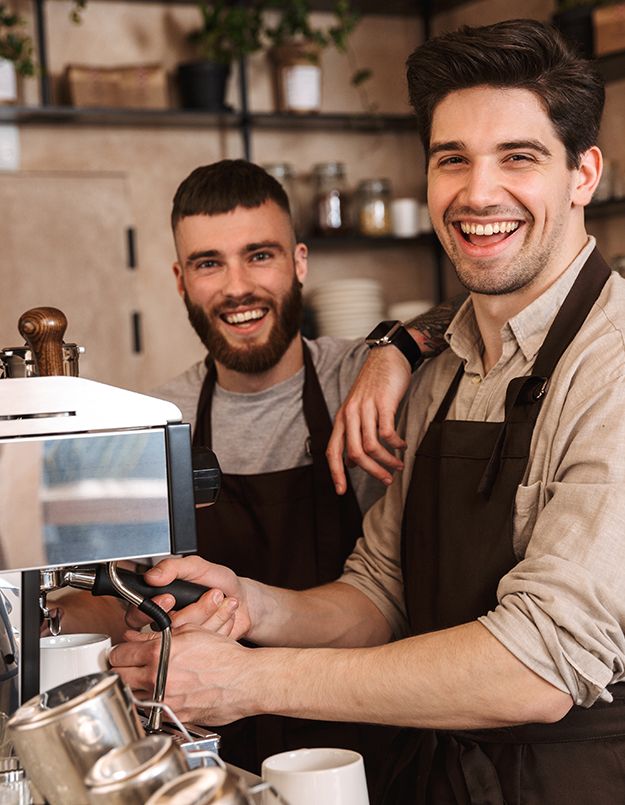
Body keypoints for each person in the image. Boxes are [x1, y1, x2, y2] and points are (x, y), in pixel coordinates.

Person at [110, 20, 625, 804]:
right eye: (453, 161)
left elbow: (538, 665)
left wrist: (251, 679)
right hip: (438, 778)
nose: (478, 194)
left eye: (519, 157)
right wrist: (249, 603)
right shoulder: (440, 363)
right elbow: (383, 590)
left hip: (576, 782)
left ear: (583, 174)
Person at [48, 158, 456, 776]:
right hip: (220, 752)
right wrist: (57, 615)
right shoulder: (157, 422)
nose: (237, 287)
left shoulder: (364, 379)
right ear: (181, 281)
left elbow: (481, 311)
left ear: (299, 262)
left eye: (258, 255)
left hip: (372, 745)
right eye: (210, 263)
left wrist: (397, 346)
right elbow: (119, 593)